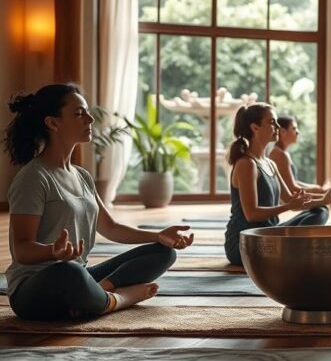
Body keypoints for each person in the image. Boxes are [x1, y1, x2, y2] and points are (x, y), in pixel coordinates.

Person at [4, 84, 193, 321]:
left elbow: (111, 228)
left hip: (79, 276)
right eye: (79, 113)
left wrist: (158, 236)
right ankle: (121, 299)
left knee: (164, 253)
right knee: (69, 271)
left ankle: (98, 293)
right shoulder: (33, 178)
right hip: (35, 288)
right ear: (53, 123)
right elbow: (22, 249)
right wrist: (52, 252)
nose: (90, 119)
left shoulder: (81, 176)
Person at [225, 103, 331, 266]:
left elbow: (290, 198)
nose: (277, 127)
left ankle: (287, 249)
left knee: (320, 211)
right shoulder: (246, 164)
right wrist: (287, 206)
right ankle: (290, 251)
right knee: (314, 216)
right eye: (272, 122)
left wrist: (323, 199)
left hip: (268, 235)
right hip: (245, 244)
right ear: (255, 127)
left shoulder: (269, 163)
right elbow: (252, 214)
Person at [268, 114, 331, 195]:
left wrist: (319, 189)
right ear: (283, 131)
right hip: (286, 203)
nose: (298, 132)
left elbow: (294, 182)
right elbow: (292, 188)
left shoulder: (283, 153)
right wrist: (322, 191)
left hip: (292, 200)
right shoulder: (279, 155)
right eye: (294, 128)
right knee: (321, 207)